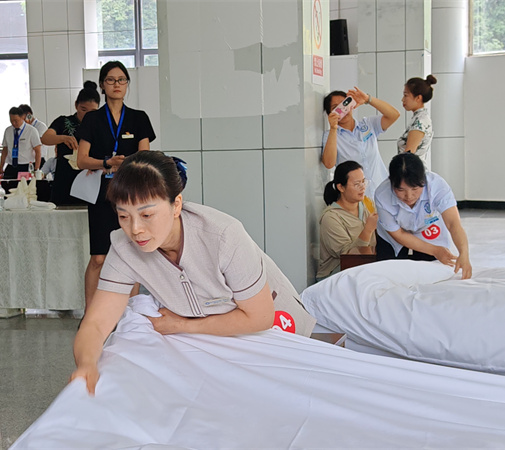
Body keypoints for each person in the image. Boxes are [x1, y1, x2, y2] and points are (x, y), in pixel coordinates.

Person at [70, 151, 316, 394]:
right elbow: (97, 323)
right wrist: (87, 363)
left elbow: (260, 317)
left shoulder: (222, 235)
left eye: (147, 215)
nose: (135, 229)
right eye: (123, 216)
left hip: (275, 329)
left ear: (176, 204)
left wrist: (181, 325)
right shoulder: (124, 248)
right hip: (215, 338)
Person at [77, 61, 156, 310]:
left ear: (127, 84)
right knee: (99, 257)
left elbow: (145, 158)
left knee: (132, 254)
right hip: (101, 193)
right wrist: (106, 163)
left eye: (122, 80)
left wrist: (128, 164)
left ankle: (130, 313)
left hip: (131, 195)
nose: (117, 84)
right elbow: (81, 160)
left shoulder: (139, 118)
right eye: (111, 80)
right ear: (102, 85)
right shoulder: (92, 119)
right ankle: (91, 313)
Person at [375, 153, 472, 279]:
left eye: (415, 189)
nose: (409, 196)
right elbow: (398, 234)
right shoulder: (382, 195)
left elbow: (453, 223)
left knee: (430, 272)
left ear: (423, 181)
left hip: (427, 227)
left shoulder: (437, 186)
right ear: (391, 183)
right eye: (400, 190)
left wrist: (463, 253)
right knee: (390, 273)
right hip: (393, 236)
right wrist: (435, 250)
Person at [321, 87, 400, 199]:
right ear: (330, 113)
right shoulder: (331, 135)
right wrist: (333, 128)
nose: (343, 110)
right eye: (335, 108)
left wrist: (368, 99)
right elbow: (329, 163)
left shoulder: (368, 124)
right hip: (356, 199)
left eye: (344, 104)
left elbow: (394, 115)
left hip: (383, 193)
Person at [41, 81, 100, 205]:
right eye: (83, 109)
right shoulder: (63, 121)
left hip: (89, 183)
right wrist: (63, 138)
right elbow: (45, 138)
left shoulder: (100, 127)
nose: (88, 115)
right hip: (64, 182)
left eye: (93, 111)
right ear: (76, 105)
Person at [317, 161, 377, 280]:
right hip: (336, 276)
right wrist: (368, 230)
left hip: (364, 269)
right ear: (340, 187)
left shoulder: (367, 204)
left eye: (363, 182)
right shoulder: (331, 217)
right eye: (357, 184)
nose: (362, 187)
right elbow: (347, 256)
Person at [398, 75, 437, 169]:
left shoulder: (420, 121)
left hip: (412, 174)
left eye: (406, 95)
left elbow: (409, 155)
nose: (402, 99)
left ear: (418, 98)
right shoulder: (420, 118)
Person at [0, 106, 42, 179]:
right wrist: (1, 167)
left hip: (26, 166)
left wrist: (36, 169)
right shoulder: (8, 131)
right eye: (11, 121)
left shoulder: (31, 131)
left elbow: (38, 151)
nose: (13, 123)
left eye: (16, 121)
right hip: (11, 165)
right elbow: (4, 151)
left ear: (22, 117)